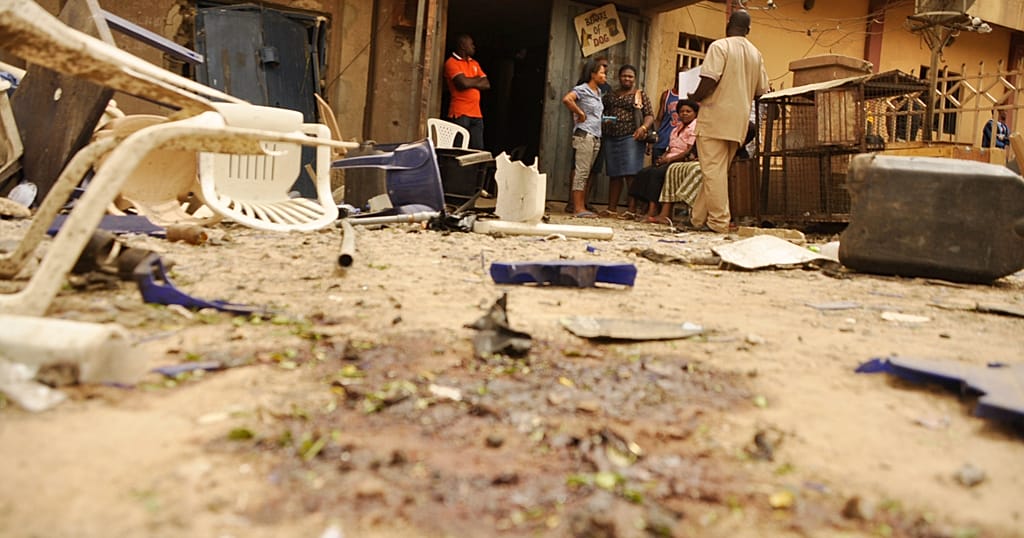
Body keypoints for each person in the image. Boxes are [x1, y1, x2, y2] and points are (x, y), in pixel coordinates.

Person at [686, 10, 768, 233]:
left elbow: (709, 79)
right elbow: (761, 91)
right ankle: (697, 219)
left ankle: (718, 222)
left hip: (715, 117)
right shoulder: (756, 54)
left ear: (728, 24)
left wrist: (694, 96)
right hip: (739, 123)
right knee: (716, 173)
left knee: (712, 172)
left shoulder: (720, 46)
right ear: (748, 30)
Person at [629, 99, 699, 225]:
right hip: (670, 158)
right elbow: (670, 148)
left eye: (688, 111)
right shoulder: (676, 128)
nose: (684, 114)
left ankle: (652, 211)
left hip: (682, 160)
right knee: (643, 172)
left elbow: (688, 151)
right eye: (682, 111)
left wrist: (669, 159)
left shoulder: (695, 127)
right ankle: (632, 209)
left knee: (656, 174)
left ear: (695, 113)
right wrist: (663, 158)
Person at [600, 64, 653, 217]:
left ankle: (632, 210)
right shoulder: (610, 95)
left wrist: (643, 128)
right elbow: (602, 112)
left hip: (632, 137)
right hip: (611, 137)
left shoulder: (639, 95)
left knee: (631, 173)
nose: (627, 79)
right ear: (619, 77)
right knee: (614, 174)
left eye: (630, 76)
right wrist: (605, 120)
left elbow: (649, 115)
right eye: (624, 76)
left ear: (634, 79)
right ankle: (611, 209)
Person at [561, 58, 607, 218]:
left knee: (586, 172)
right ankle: (578, 208)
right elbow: (567, 99)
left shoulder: (598, 92)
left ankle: (581, 206)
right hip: (584, 134)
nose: (605, 76)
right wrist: (580, 113)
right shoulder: (582, 89)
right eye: (602, 73)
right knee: (581, 172)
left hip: (595, 135)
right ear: (593, 74)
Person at [443, 34, 490, 150]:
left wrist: (469, 81)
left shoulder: (474, 63)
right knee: (459, 149)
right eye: (471, 44)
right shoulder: (451, 62)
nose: (474, 47)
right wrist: (477, 80)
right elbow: (462, 84)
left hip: (477, 114)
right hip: (460, 113)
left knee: (478, 150)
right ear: (463, 46)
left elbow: (486, 84)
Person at [651, 66, 685, 164]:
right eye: (681, 75)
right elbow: (659, 119)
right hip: (663, 140)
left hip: (679, 145)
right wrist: (654, 136)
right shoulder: (667, 95)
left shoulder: (691, 97)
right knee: (656, 169)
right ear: (677, 76)